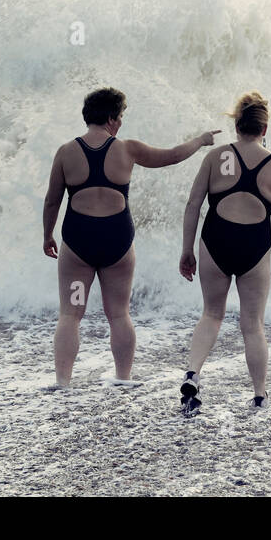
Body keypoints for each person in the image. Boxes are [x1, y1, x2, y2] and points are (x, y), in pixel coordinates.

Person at [43, 87, 218, 388]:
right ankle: (123, 378)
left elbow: (52, 201)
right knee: (119, 314)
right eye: (121, 116)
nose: (121, 122)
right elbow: (174, 156)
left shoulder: (66, 152)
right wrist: (201, 140)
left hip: (79, 243)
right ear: (111, 119)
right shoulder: (127, 150)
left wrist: (48, 235)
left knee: (71, 313)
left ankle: (63, 382)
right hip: (117, 243)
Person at [180, 92, 271, 413]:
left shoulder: (216, 157)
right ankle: (260, 394)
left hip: (216, 239)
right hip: (254, 246)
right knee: (253, 325)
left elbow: (193, 206)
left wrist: (187, 250)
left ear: (237, 125)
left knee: (211, 314)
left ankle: (193, 373)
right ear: (265, 128)